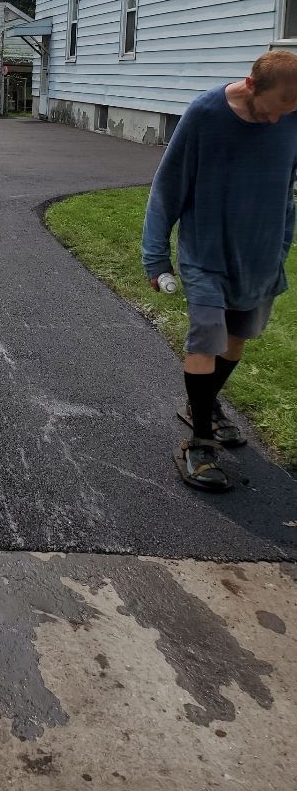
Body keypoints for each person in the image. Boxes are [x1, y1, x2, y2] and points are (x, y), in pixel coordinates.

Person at [142, 50, 297, 491]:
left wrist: (283, 243)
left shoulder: (291, 115)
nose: (277, 121)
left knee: (235, 342)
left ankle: (202, 406)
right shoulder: (205, 114)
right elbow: (167, 186)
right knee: (206, 337)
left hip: (261, 256)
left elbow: (288, 186)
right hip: (206, 253)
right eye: (274, 111)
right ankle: (200, 445)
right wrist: (156, 258)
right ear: (251, 86)